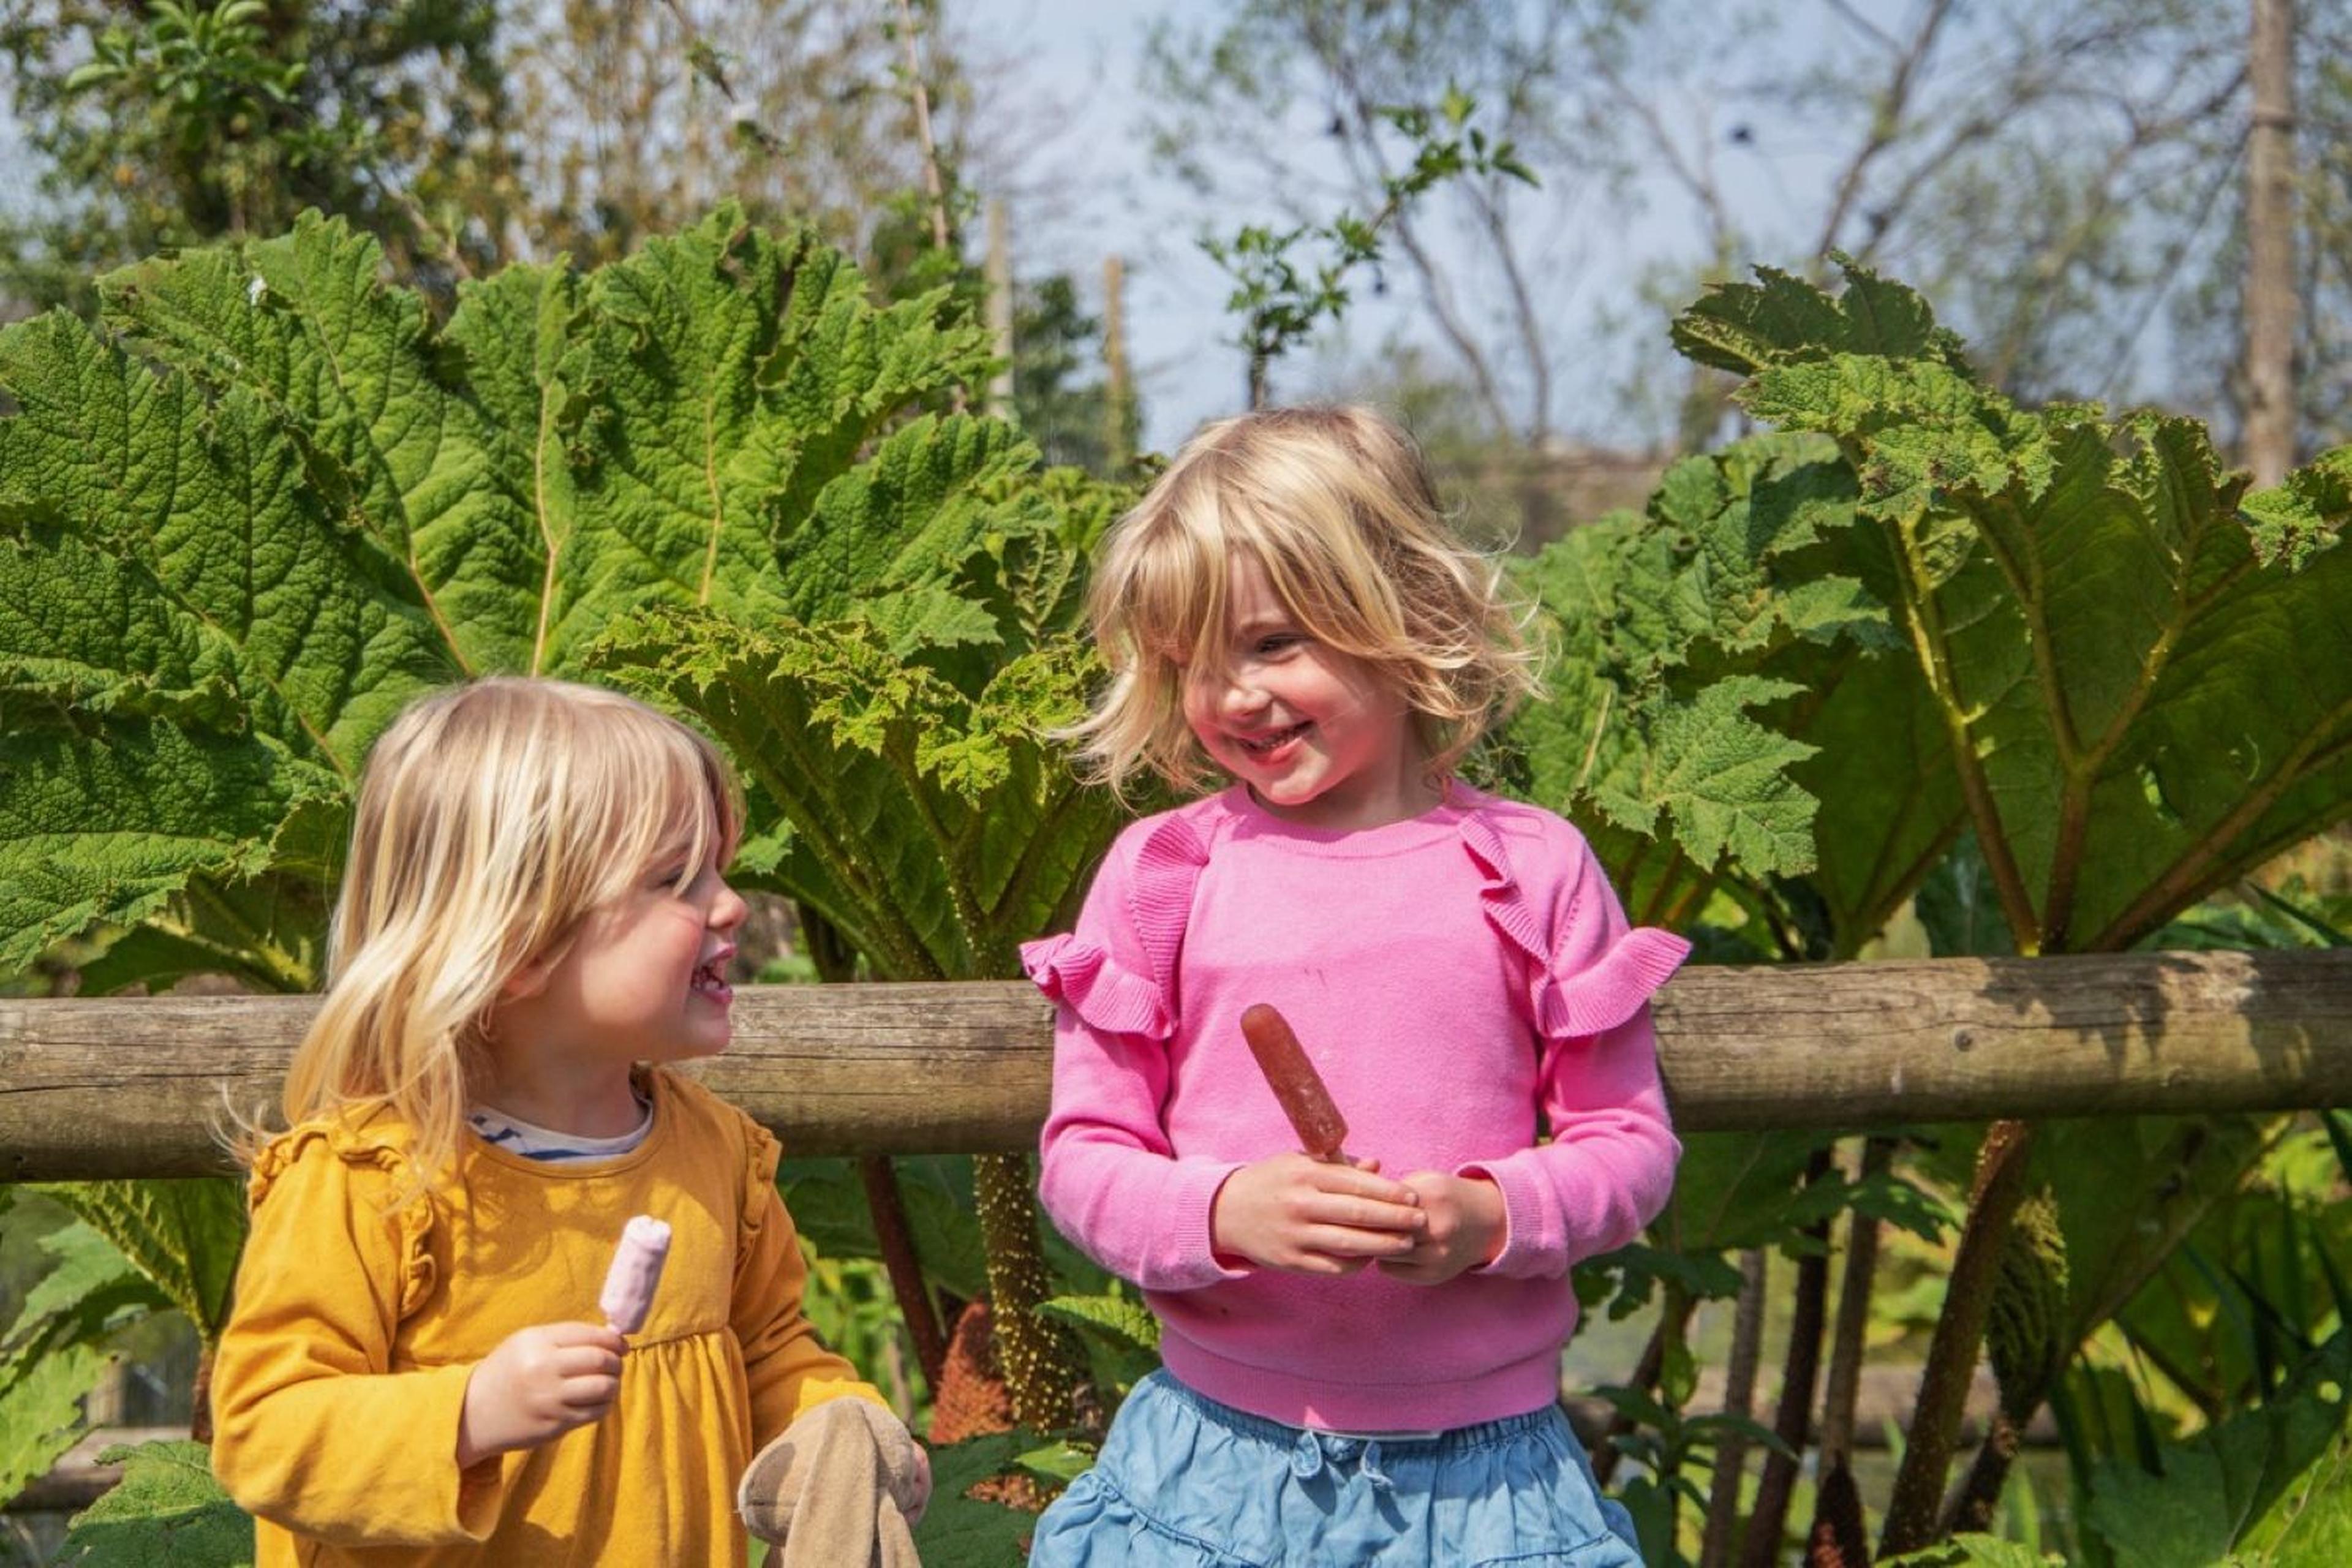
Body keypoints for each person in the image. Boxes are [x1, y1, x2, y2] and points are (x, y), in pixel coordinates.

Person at [1020, 406, 1688, 1565]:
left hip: (1490, 1479)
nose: (1233, 697)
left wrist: (1491, 1216)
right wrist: (1227, 1212)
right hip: (1220, 1459)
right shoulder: (1164, 875)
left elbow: (1629, 1146)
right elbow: (1083, 1163)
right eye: (1191, 664)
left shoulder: (1530, 867)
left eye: (1274, 644)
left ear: (1406, 614)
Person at [209, 677, 926, 1566]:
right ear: (519, 946)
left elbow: (769, 1354)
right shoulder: (372, 1179)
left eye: (717, 869)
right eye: (675, 879)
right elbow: (264, 1431)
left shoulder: (717, 1155)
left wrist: (838, 1425)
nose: (731, 904)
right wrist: (467, 1415)